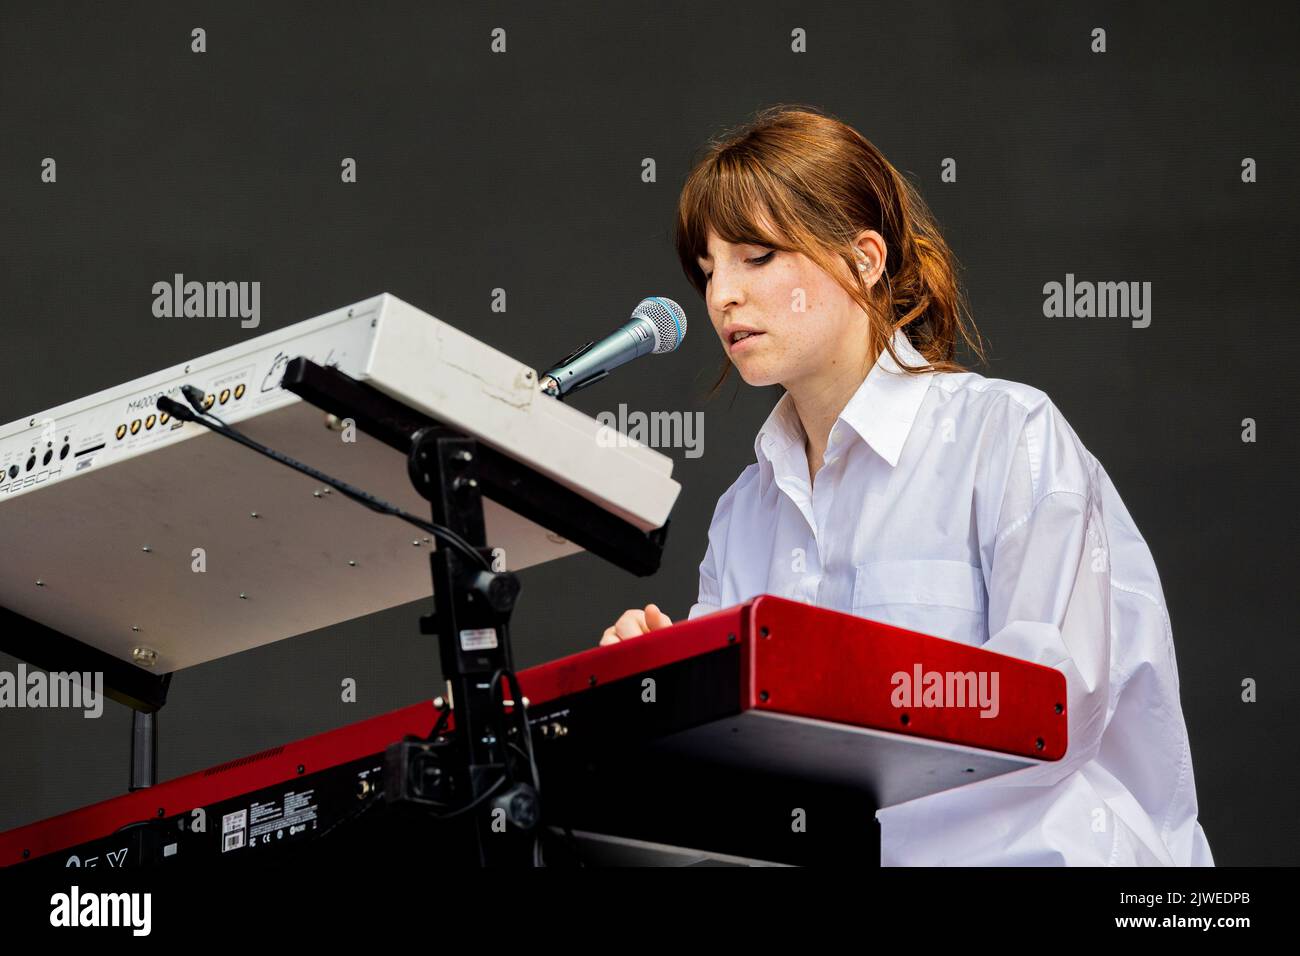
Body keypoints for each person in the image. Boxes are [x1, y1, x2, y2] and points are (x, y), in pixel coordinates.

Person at [598, 104, 1214, 866]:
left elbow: (1052, 710)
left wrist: (817, 693)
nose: (721, 294)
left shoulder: (1009, 436)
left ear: (863, 259)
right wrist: (671, 685)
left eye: (756, 256)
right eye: (706, 269)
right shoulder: (742, 514)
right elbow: (739, 789)